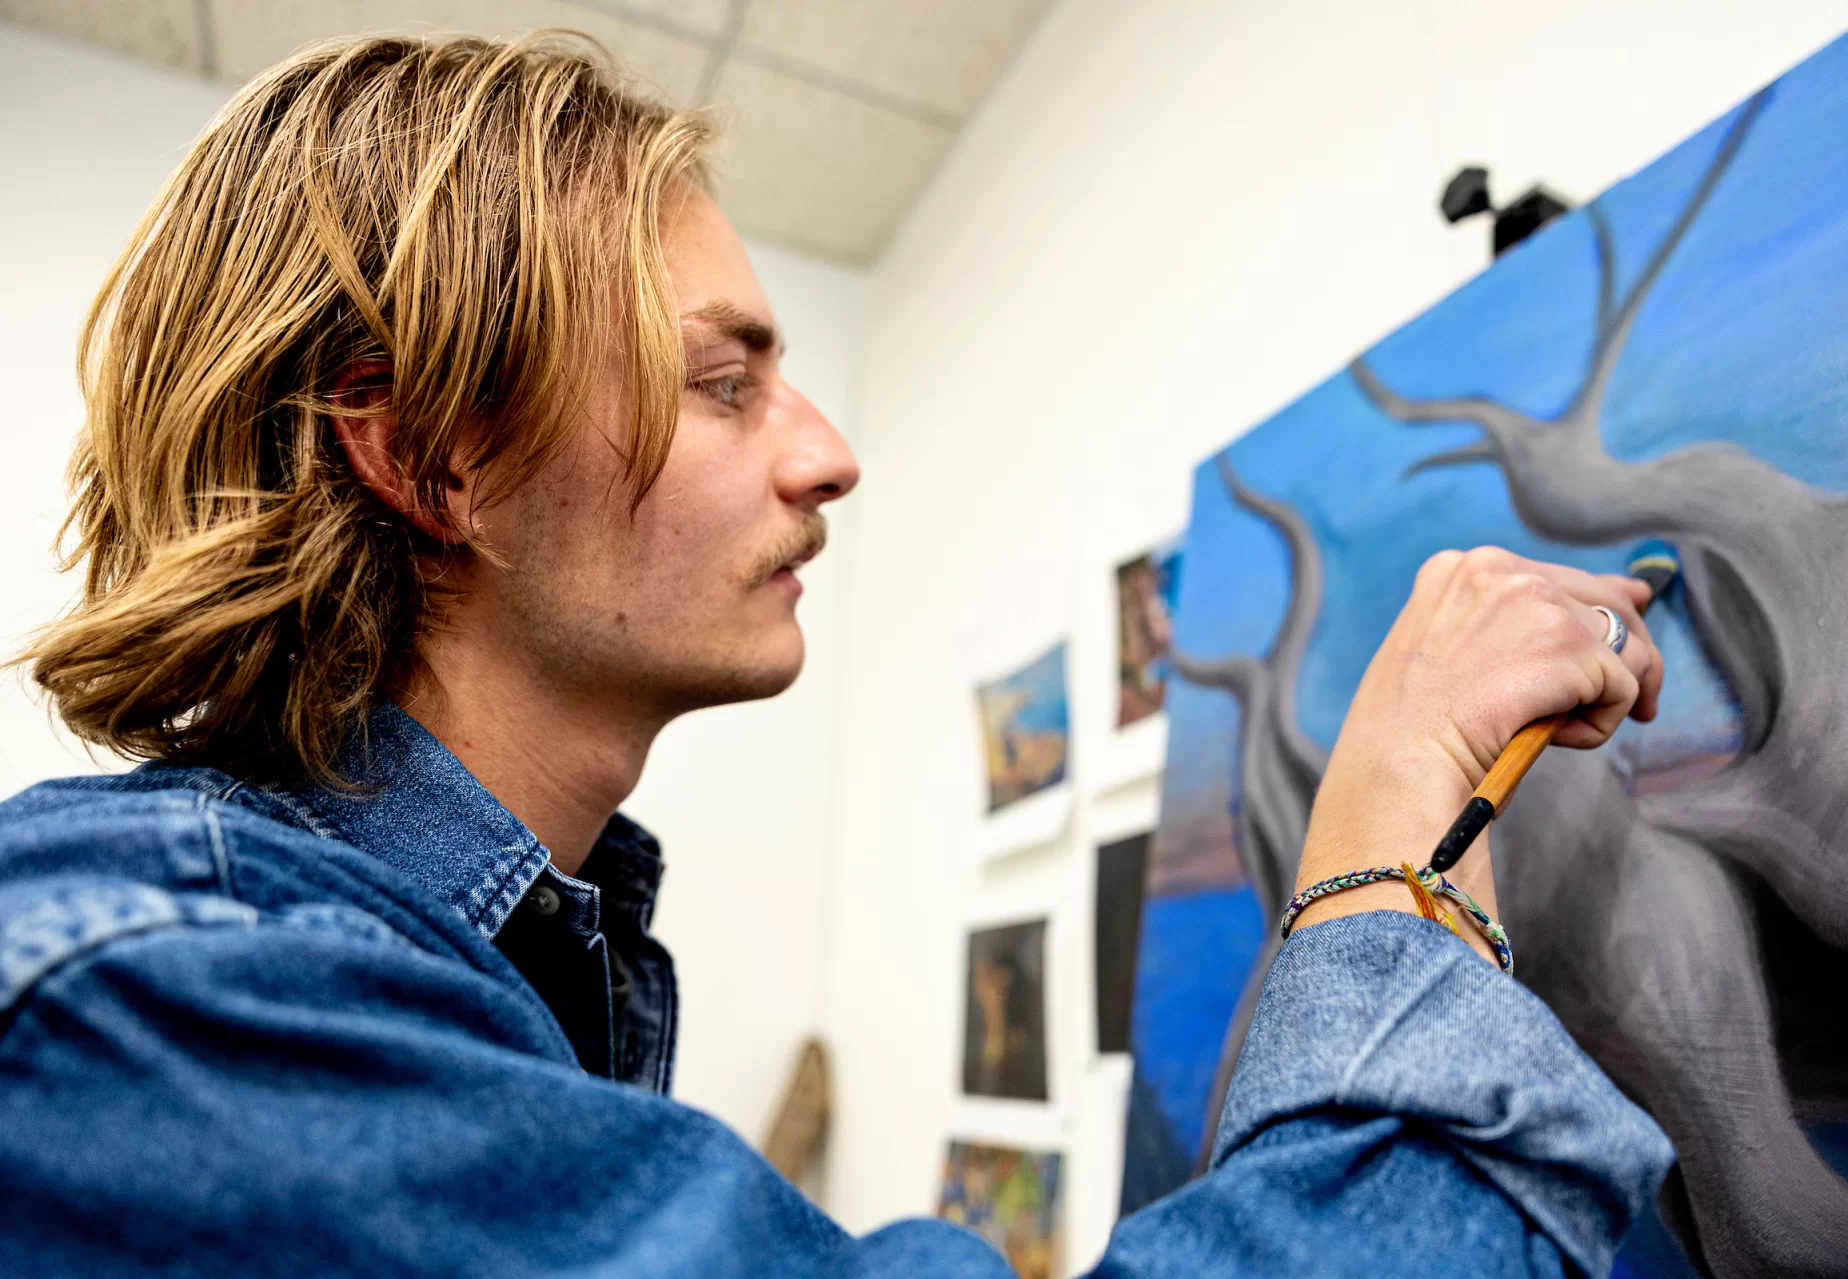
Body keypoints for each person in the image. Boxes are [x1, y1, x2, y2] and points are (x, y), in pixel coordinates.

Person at [0, 33, 1673, 1278]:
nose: (826, 456)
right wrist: (1383, 867)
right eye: (723, 382)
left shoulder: (491, 971)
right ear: (432, 458)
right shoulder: (162, 995)